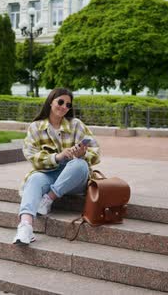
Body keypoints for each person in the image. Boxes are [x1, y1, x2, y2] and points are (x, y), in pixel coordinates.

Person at [13, 88, 101, 245]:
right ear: (50, 101)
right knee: (34, 179)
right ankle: (25, 227)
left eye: (68, 105)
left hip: (74, 178)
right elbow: (32, 156)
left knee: (79, 165)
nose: (64, 106)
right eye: (60, 102)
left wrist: (82, 154)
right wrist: (58, 157)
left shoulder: (76, 125)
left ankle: (48, 199)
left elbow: (96, 152)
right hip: (49, 172)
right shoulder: (35, 127)